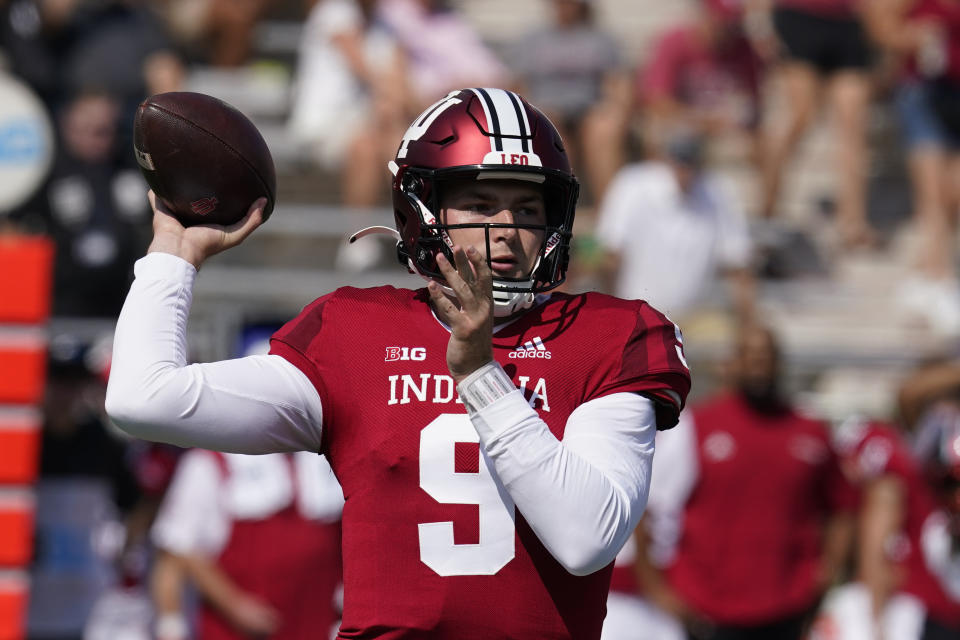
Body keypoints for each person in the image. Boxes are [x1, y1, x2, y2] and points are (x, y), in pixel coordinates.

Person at [104, 87, 692, 639]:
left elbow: (587, 536)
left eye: (526, 208)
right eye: (481, 204)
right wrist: (173, 255)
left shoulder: (607, 335)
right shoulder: (355, 333)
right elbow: (144, 399)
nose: (507, 231)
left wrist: (481, 376)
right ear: (423, 210)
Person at [633, 324, 855, 640]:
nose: (758, 364)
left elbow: (842, 506)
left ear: (779, 362)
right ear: (733, 363)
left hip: (788, 608)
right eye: (749, 355)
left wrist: (826, 573)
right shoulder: (697, 426)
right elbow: (648, 505)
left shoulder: (811, 431)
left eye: (766, 355)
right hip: (707, 612)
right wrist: (656, 588)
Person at [150, 448, 344, 640]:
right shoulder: (207, 460)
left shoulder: (327, 453)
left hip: (315, 622)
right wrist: (234, 606)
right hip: (238, 629)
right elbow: (178, 546)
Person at [864, 0, 960, 335]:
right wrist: (913, 38)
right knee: (931, 190)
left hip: (954, 89)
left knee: (953, 192)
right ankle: (941, 278)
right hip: (922, 91)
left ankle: (924, 272)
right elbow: (881, 25)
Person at [594, 131, 755, 323]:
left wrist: (749, 321)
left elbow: (737, 262)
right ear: (667, 160)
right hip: (637, 316)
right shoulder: (632, 184)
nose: (684, 171)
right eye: (680, 162)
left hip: (696, 319)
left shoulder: (718, 191)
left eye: (690, 163)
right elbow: (609, 253)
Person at [755, 0, 875, 248]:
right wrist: (760, 25)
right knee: (801, 117)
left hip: (849, 20)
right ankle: (768, 206)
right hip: (799, 16)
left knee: (853, 124)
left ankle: (852, 222)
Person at [509, 0, 631, 202]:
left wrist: (616, 109)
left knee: (603, 130)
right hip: (547, 108)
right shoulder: (532, 39)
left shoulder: (601, 39)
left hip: (590, 109)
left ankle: (610, 214)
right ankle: (560, 207)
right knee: (553, 130)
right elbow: (516, 85)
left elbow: (619, 83)